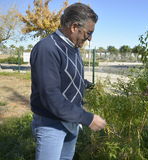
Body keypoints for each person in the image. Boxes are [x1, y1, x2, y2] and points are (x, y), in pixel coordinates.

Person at [30, 3, 106, 160]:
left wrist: (89, 85)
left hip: (71, 120)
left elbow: (70, 76)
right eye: (88, 32)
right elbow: (50, 95)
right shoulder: (48, 49)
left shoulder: (73, 48)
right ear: (74, 27)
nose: (90, 38)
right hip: (51, 124)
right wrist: (88, 118)